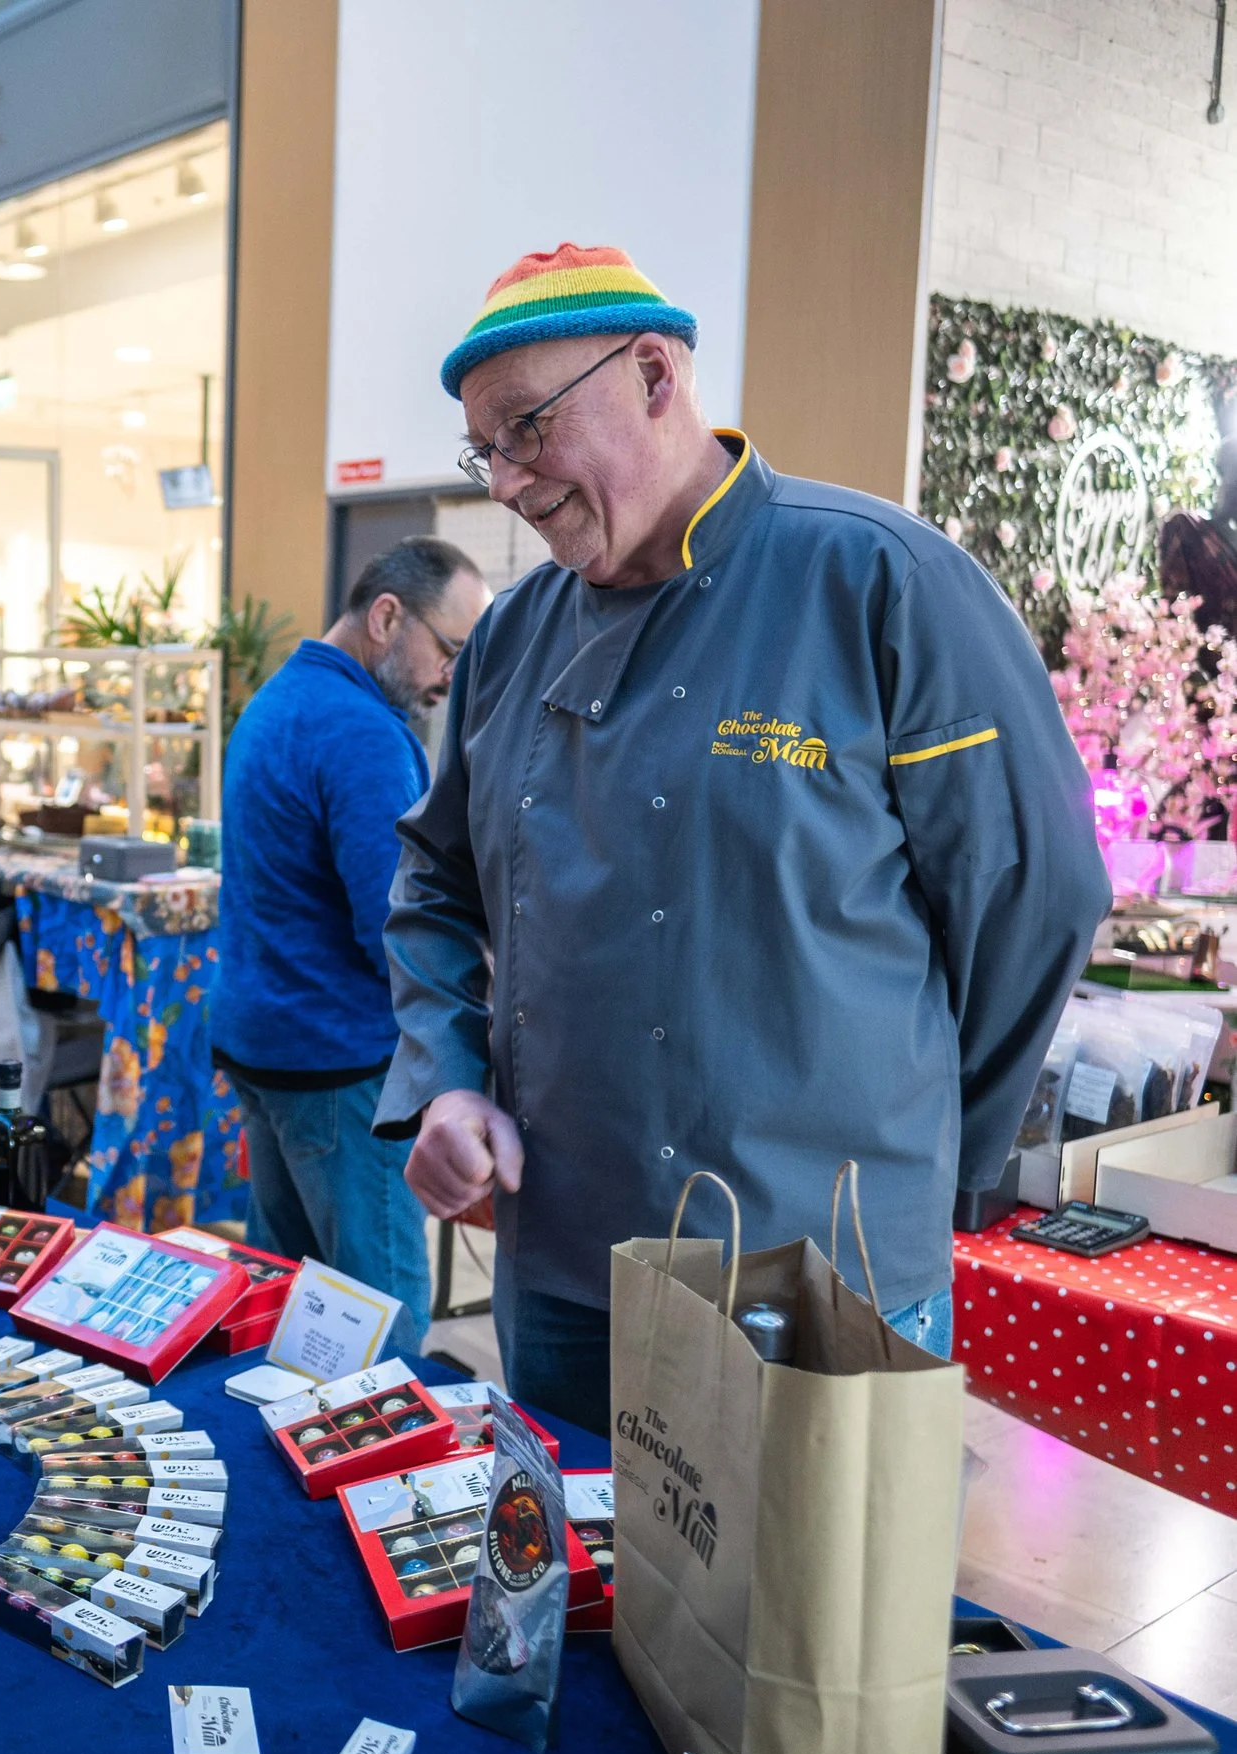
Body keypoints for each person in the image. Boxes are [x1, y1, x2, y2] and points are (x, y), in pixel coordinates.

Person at [379, 243, 1110, 1433]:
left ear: (653, 376)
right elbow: (433, 883)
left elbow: (1035, 895)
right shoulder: (508, 638)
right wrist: (447, 1083)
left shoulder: (881, 582)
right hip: (560, 1261)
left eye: (526, 428)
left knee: (813, 1565)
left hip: (817, 1271)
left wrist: (920, 1146)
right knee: (571, 1548)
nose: (504, 482)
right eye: (484, 449)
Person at [214, 541, 488, 1354]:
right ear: (386, 616)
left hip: (268, 1048)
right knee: (381, 1322)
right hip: (340, 1066)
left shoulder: (277, 698)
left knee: (286, 1312)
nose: (452, 679)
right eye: (450, 650)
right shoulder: (363, 732)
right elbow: (398, 927)